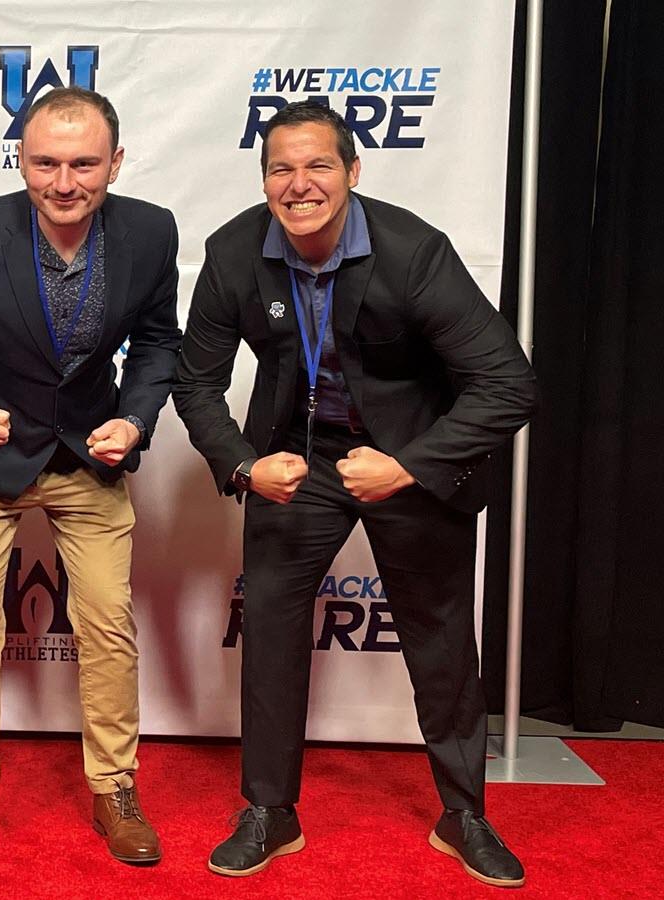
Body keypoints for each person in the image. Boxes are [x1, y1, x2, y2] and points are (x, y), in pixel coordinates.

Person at [172, 101, 536, 888]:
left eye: (318, 166)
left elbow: (508, 383)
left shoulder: (412, 254)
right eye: (280, 168)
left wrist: (409, 465)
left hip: (407, 458)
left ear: (353, 172)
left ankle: (463, 813)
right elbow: (195, 381)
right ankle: (271, 811)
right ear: (263, 177)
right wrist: (243, 463)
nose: (298, 184)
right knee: (267, 630)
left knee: (440, 642)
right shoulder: (235, 253)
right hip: (296, 466)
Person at [0, 86, 181, 871]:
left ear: (116, 162)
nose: (64, 182)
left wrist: (135, 420)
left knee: (106, 619)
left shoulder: (151, 231)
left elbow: (161, 341)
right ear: (20, 160)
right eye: (46, 164)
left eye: (84, 164)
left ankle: (115, 787)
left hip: (90, 459)